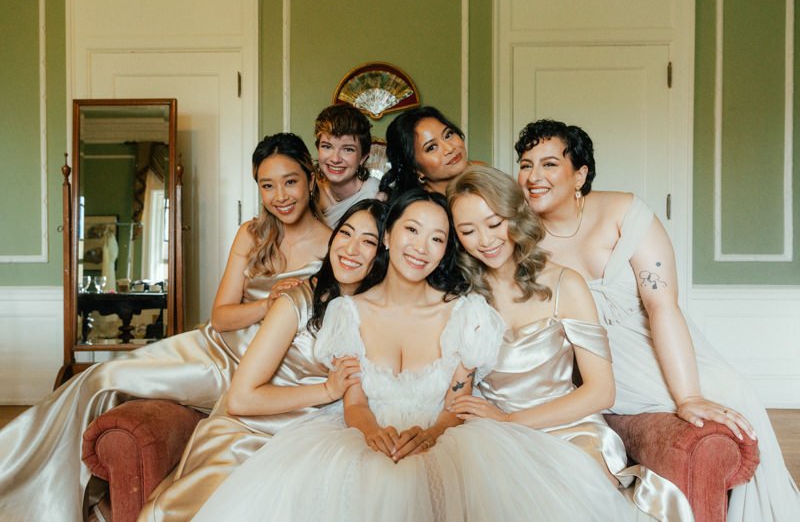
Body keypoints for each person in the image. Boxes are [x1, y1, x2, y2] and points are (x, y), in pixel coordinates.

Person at [194, 189, 634, 522]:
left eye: (438, 238)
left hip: (450, 439)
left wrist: (435, 432)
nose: (421, 247)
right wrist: (371, 433)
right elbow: (354, 401)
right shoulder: (346, 313)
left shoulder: (467, 312)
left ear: (447, 249)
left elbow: (457, 402)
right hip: (362, 437)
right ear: (387, 235)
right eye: (411, 230)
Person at [0, 133, 330, 522]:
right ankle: (26, 482)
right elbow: (222, 315)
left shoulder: (332, 248)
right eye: (267, 185)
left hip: (254, 369)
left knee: (103, 380)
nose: (280, 196)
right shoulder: (252, 234)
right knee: (98, 378)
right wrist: (268, 303)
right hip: (210, 348)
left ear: (311, 177)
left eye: (290, 181)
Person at [514, 119, 800, 521]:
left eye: (548, 164)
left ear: (580, 174)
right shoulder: (516, 235)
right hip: (599, 361)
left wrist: (688, 397)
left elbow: (662, 305)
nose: (533, 177)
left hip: (660, 341)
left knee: (734, 394)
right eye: (525, 165)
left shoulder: (623, 212)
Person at [447, 165, 694, 520]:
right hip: (494, 433)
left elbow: (600, 391)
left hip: (569, 429)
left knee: (571, 491)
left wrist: (511, 419)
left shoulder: (566, 283)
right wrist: (490, 422)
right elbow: (458, 390)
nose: (485, 240)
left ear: (515, 214)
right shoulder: (463, 296)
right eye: (468, 231)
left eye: (494, 222)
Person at [140, 199, 387, 521]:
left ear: (384, 253)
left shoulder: (375, 312)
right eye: (346, 233)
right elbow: (241, 399)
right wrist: (326, 391)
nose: (351, 249)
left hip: (315, 436)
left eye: (368, 241)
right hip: (249, 435)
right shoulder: (296, 301)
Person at [380, 106, 485, 198]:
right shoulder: (424, 209)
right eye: (431, 147)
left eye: (448, 135)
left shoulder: (481, 172)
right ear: (415, 169)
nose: (449, 149)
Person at [313, 104, 381, 227]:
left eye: (348, 149)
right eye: (327, 147)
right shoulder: (309, 190)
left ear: (363, 158)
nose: (335, 159)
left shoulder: (376, 194)